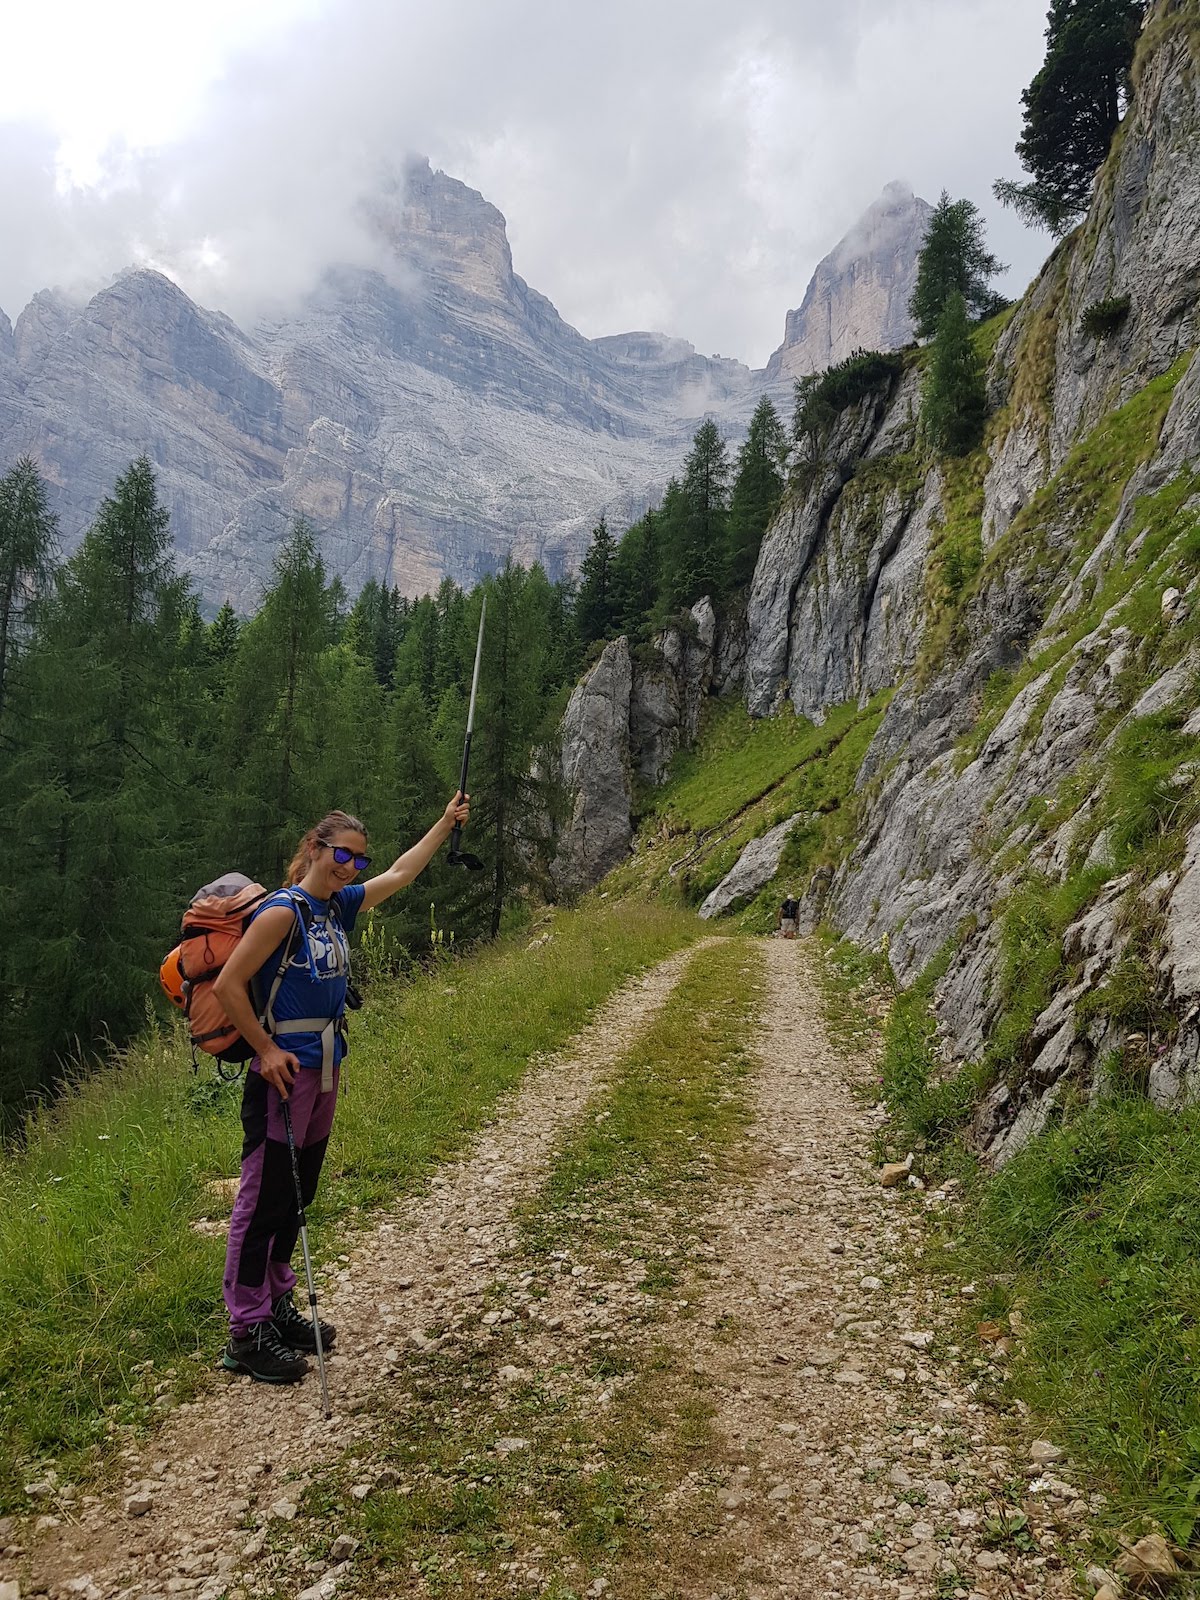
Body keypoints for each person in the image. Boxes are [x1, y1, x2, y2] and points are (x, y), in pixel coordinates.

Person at [214, 793, 470, 1384]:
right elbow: (230, 985)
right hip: (282, 1079)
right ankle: (245, 1331)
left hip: (325, 1073)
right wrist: (267, 1049)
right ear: (314, 849)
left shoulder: (338, 908)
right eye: (341, 854)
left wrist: (445, 821)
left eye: (357, 859)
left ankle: (276, 1307)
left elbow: (403, 872)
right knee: (261, 1201)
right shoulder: (286, 912)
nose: (350, 867)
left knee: (295, 1197)